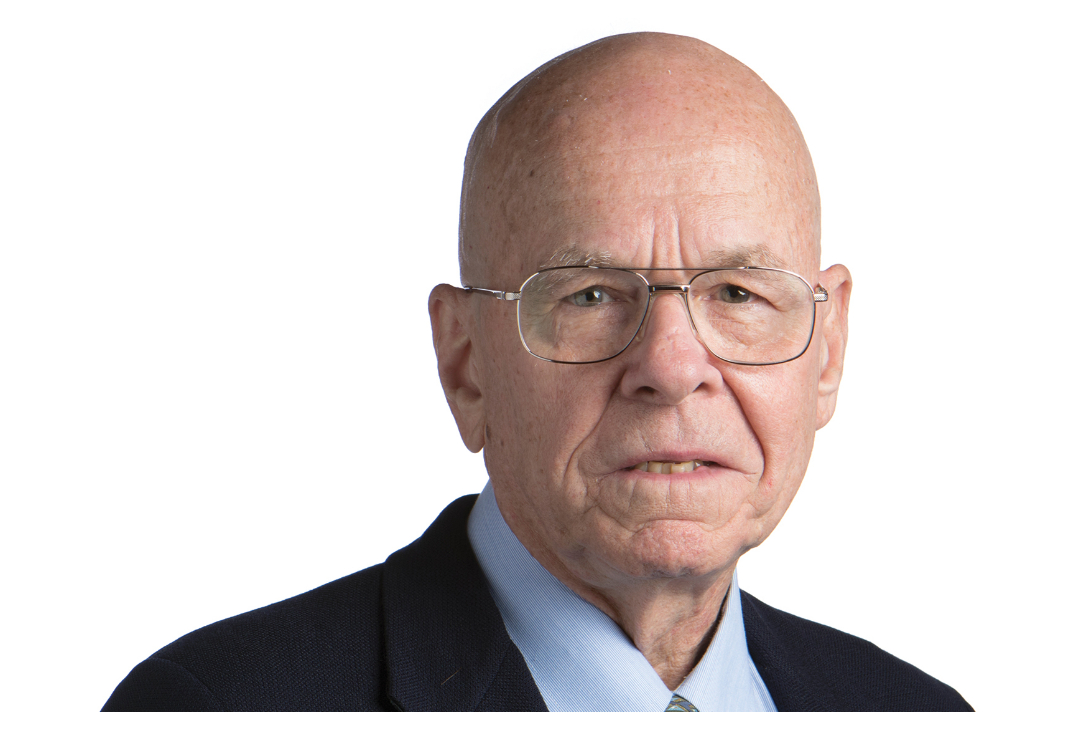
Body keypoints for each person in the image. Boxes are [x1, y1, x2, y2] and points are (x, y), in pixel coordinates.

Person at [103, 32, 971, 712]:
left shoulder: (918, 711)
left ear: (828, 350)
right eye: (590, 295)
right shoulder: (216, 706)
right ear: (466, 361)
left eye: (739, 292)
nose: (671, 368)